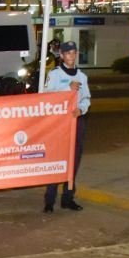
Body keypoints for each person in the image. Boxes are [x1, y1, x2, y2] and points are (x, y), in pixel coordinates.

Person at [42, 41, 91, 213]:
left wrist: (81, 109)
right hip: (59, 123)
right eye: (68, 53)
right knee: (57, 159)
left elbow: (86, 98)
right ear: (61, 56)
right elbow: (47, 96)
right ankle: (50, 200)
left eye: (74, 52)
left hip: (77, 120)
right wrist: (67, 88)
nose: (71, 56)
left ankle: (68, 198)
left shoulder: (82, 76)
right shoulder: (54, 74)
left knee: (74, 159)